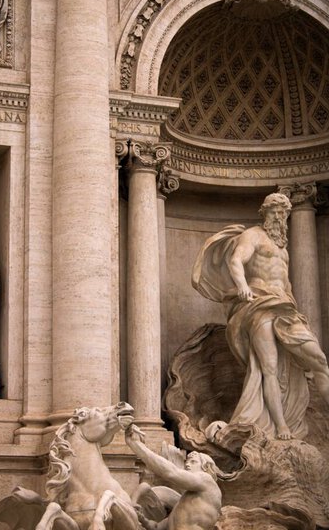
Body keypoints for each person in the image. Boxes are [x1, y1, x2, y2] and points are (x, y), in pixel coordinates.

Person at [192, 192, 329, 440]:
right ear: (264, 214)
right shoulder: (253, 235)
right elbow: (236, 260)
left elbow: (286, 282)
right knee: (269, 368)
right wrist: (242, 285)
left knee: (319, 360)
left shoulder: (282, 248)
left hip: (285, 308)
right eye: (274, 212)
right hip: (258, 305)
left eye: (283, 213)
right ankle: (281, 427)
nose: (279, 217)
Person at [125, 424, 222, 530]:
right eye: (187, 463)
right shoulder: (183, 504)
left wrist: (137, 445)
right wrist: (142, 519)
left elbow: (170, 473)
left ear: (207, 467)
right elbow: (157, 527)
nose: (188, 465)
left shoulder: (207, 481)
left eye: (193, 462)